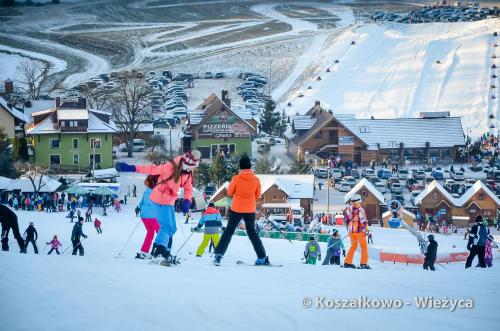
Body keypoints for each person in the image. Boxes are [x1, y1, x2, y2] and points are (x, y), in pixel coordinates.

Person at [116, 150, 201, 265]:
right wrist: (131, 168)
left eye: (193, 167)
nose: (191, 169)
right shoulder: (169, 167)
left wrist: (187, 200)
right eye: (189, 167)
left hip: (169, 201)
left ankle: (163, 252)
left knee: (172, 228)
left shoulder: (188, 173)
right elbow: (150, 169)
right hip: (159, 198)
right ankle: (159, 253)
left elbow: (188, 188)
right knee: (166, 227)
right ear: (184, 163)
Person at [213, 155, 270, 266]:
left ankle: (218, 255)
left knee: (229, 231)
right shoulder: (256, 180)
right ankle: (262, 257)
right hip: (250, 209)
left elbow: (229, 193)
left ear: (240, 167)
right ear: (249, 167)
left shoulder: (236, 178)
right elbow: (258, 195)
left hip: (237, 208)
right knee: (252, 233)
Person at [136, 176, 160, 259]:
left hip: (144, 216)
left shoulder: (146, 192)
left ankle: (144, 251)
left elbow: (141, 203)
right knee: (161, 233)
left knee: (150, 233)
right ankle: (159, 252)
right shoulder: (156, 192)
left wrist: (141, 208)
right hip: (153, 216)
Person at [343, 194, 370, 269]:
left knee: (353, 246)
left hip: (351, 230)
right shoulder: (360, 208)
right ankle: (363, 263)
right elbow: (363, 220)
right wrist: (367, 229)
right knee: (363, 247)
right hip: (359, 230)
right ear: (359, 200)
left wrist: (349, 229)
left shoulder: (348, 208)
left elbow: (347, 219)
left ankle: (347, 262)